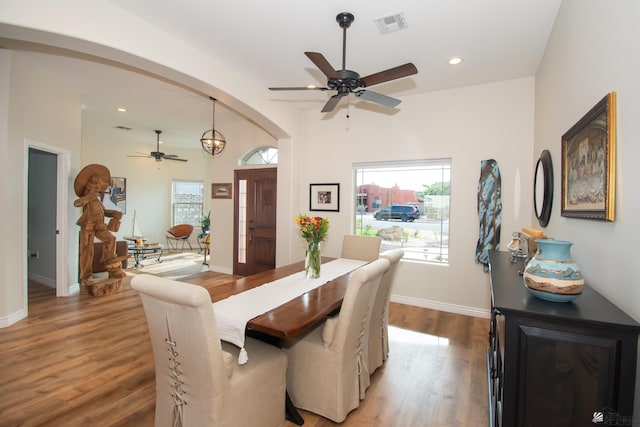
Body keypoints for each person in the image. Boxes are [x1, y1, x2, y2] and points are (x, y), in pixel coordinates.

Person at [74, 164, 126, 285]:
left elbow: (104, 212)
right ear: (88, 186)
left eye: (99, 185)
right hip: (88, 227)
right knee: (87, 251)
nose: (98, 187)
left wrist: (115, 213)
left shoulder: (97, 201)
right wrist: (90, 196)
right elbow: (77, 203)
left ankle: (111, 266)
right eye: (95, 184)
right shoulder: (88, 198)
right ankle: (86, 277)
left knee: (111, 239)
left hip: (99, 226)